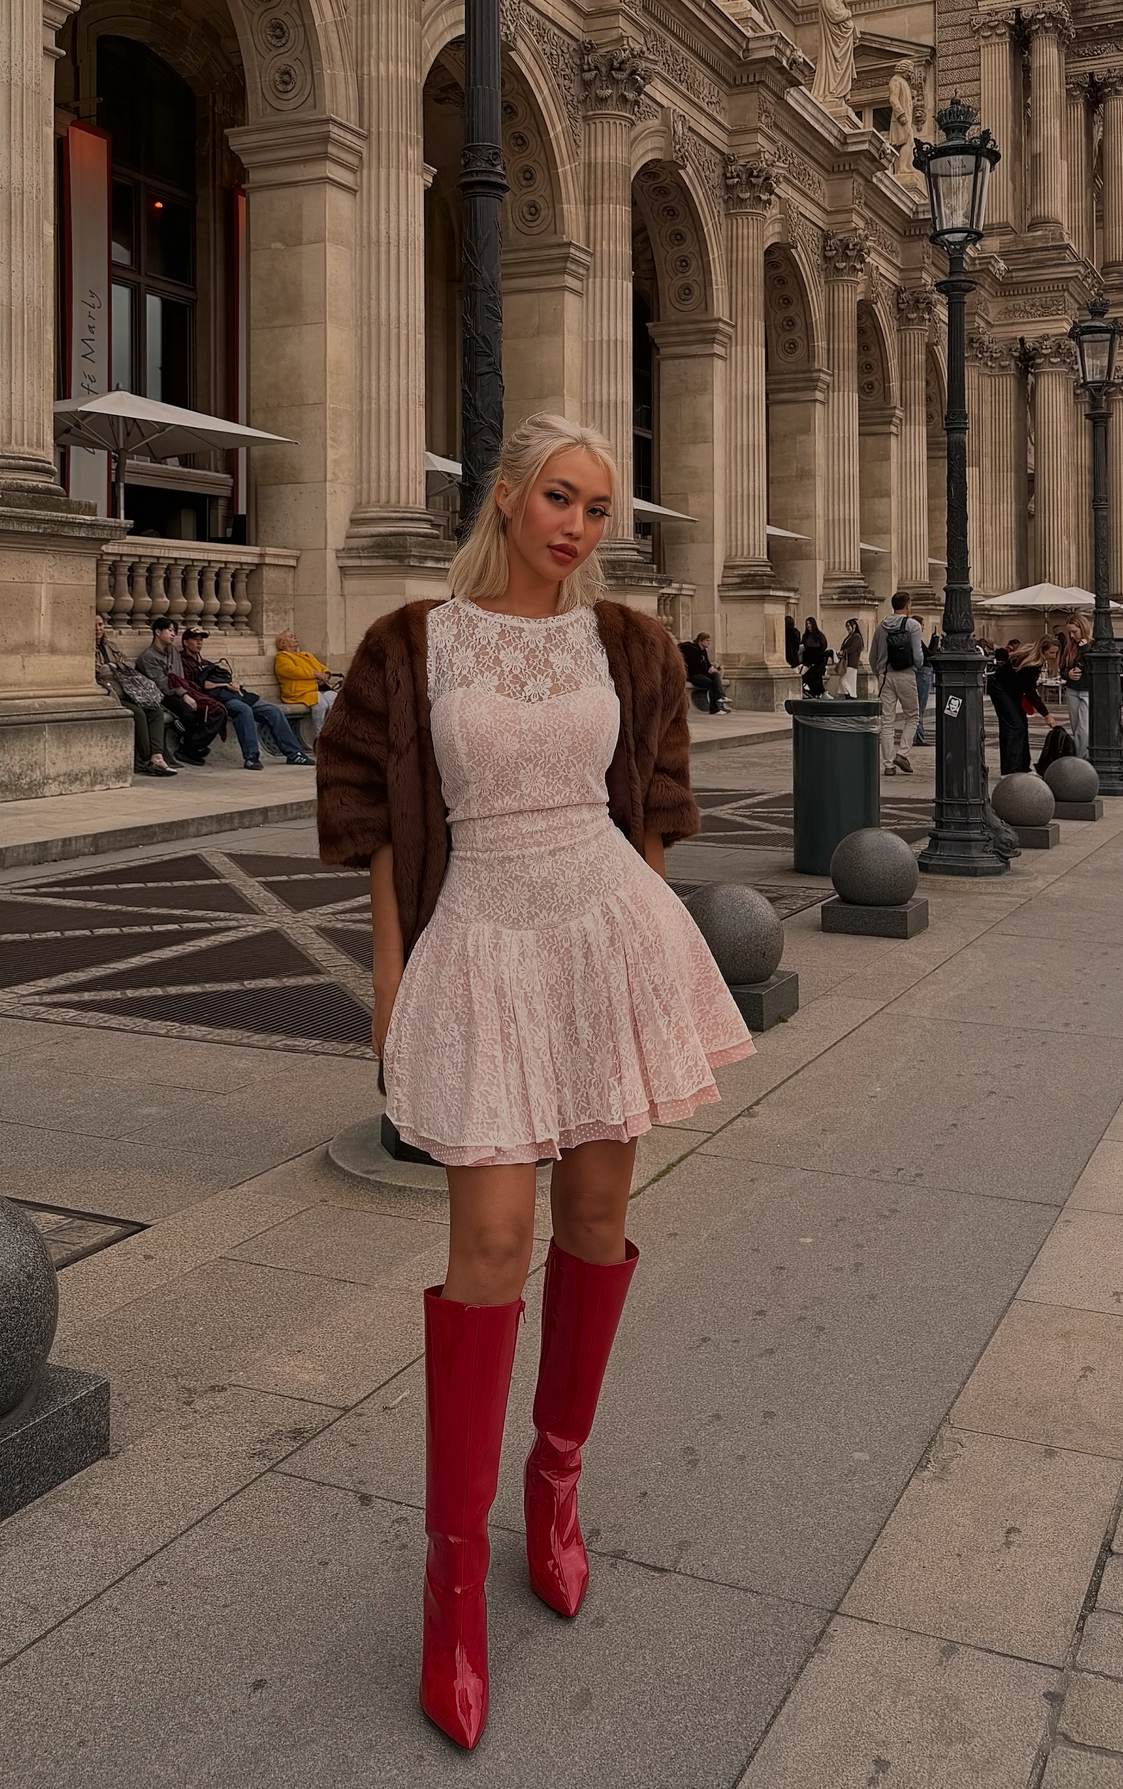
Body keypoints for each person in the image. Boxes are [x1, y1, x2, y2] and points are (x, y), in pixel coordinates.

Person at [316, 413, 753, 1751]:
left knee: (595, 1224)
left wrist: (653, 969)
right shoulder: (408, 641)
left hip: (607, 927)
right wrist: (390, 983)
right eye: (558, 495)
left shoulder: (628, 643)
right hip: (482, 938)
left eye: (598, 507)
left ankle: (553, 1484)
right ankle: (454, 1579)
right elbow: (382, 828)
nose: (578, 522)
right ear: (505, 499)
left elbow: (654, 808)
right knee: (490, 1241)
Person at [177, 627, 314, 770]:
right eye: (194, 640)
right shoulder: (183, 662)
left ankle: (294, 754)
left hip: (234, 694)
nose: (199, 643)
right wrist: (223, 684)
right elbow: (196, 686)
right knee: (244, 710)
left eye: (201, 640)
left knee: (273, 711)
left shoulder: (206, 662)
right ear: (185, 642)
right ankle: (251, 757)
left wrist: (232, 684)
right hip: (217, 698)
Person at [94, 614, 178, 776]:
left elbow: (128, 664)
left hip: (128, 690)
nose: (98, 629)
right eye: (94, 626)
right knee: (138, 714)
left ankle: (157, 756)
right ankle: (147, 760)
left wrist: (113, 666)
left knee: (155, 710)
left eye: (100, 625)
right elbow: (99, 671)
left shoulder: (111, 646)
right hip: (109, 693)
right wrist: (114, 667)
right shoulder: (84, 648)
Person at [137, 615, 224, 765]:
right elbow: (162, 684)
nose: (173, 634)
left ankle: (192, 746)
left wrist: (187, 692)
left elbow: (179, 677)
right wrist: (184, 695)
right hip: (162, 695)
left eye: (174, 631)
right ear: (158, 632)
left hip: (181, 691)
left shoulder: (172, 651)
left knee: (217, 710)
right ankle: (190, 748)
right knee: (188, 711)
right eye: (169, 630)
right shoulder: (148, 656)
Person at [869, 591, 923, 775]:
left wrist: (880, 674)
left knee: (887, 721)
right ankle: (902, 753)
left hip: (885, 676)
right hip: (906, 675)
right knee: (913, 716)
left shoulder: (881, 626)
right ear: (908, 606)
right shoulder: (913, 625)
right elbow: (917, 656)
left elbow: (872, 656)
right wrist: (918, 666)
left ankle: (888, 765)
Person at [989, 638, 1056, 774]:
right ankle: (1011, 767)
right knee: (1014, 725)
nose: (1053, 656)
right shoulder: (1032, 665)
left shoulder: (1031, 662)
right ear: (1043, 651)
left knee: (1021, 724)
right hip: (1000, 687)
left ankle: (1022, 764)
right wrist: (1046, 715)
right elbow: (1030, 692)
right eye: (1051, 653)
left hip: (1010, 690)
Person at [273, 630, 339, 737]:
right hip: (301, 691)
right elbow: (292, 671)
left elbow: (322, 668)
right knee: (321, 705)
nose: (295, 637)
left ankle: (335, 733)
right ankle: (320, 736)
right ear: (283, 643)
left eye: (294, 636)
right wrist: (315, 674)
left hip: (319, 688)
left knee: (336, 700)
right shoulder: (282, 657)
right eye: (291, 637)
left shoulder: (307, 655)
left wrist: (325, 675)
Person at [1058, 615, 1091, 758]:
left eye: (1074, 632)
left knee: (1084, 728)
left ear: (1082, 628)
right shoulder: (1070, 647)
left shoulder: (1091, 646)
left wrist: (1084, 648)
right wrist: (1068, 674)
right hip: (1072, 689)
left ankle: (1080, 759)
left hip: (1087, 690)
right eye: (1069, 632)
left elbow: (1092, 667)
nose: (1071, 636)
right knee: (1075, 726)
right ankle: (1081, 756)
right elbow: (1062, 669)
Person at [678, 632, 731, 713]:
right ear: (700, 641)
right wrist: (707, 670)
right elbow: (696, 667)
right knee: (711, 683)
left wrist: (711, 668)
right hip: (693, 675)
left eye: (709, 640)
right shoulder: (693, 650)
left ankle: (721, 697)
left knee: (715, 675)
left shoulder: (704, 651)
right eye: (706, 640)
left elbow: (707, 663)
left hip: (701, 673)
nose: (709, 642)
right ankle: (714, 708)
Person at [911, 618, 933, 744]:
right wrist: (935, 640)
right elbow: (929, 654)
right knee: (920, 706)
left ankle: (918, 735)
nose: (923, 627)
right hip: (923, 672)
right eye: (922, 625)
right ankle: (917, 736)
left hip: (921, 672)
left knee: (919, 706)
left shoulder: (916, 639)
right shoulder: (916, 639)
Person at [799, 616, 831, 699]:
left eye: (809, 623)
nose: (808, 625)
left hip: (817, 661)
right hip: (807, 661)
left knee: (816, 677)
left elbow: (823, 646)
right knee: (804, 676)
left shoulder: (819, 635)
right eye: (807, 624)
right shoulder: (805, 636)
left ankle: (819, 692)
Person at [836, 617, 864, 697]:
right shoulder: (850, 637)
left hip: (851, 663)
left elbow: (852, 648)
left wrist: (843, 652)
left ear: (854, 626)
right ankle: (849, 697)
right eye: (847, 626)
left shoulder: (856, 637)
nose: (848, 628)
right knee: (845, 683)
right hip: (847, 663)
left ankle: (850, 697)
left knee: (844, 681)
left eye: (849, 626)